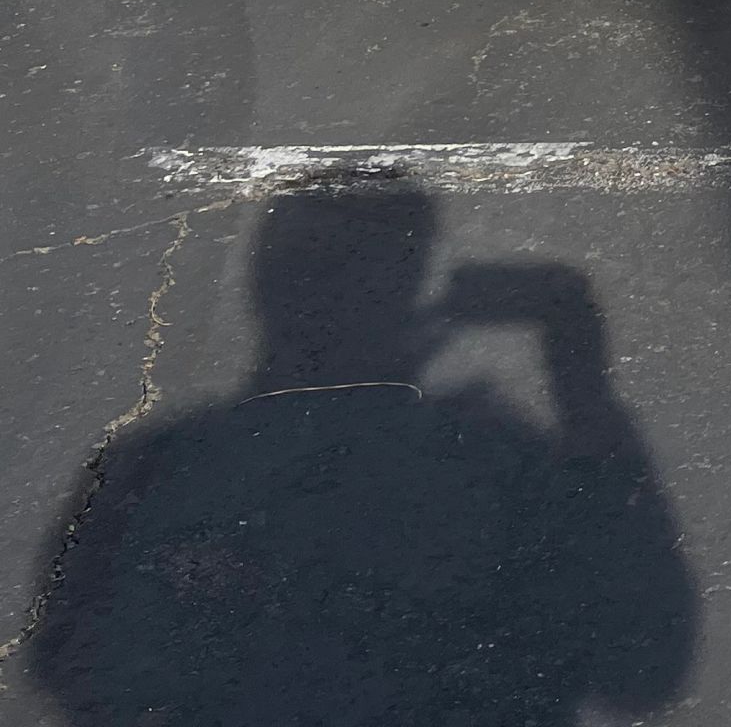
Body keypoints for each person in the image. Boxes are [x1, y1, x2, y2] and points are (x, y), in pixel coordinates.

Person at [26, 188, 694, 725]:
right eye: (318, 268)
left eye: (347, 269)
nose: (329, 296)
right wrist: (581, 384)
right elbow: (639, 667)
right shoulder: (494, 463)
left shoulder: (161, 468)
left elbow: (641, 667)